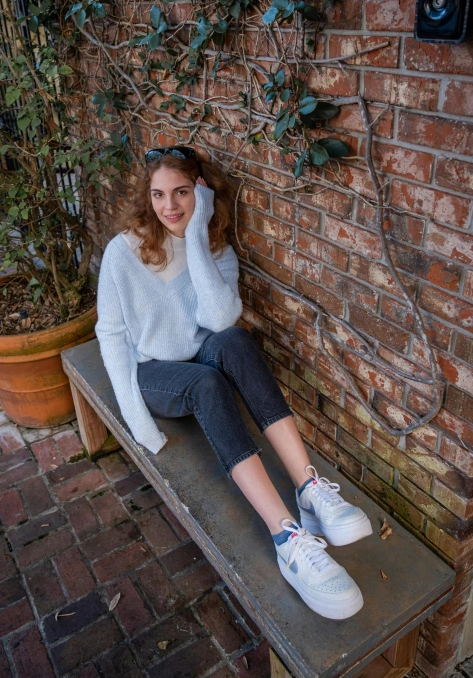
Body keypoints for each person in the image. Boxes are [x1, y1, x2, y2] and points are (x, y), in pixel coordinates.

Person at [95, 145, 372, 620]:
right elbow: (113, 337)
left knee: (237, 342)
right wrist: (138, 423)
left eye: (182, 192)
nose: (170, 206)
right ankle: (286, 537)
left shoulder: (215, 246)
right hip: (156, 374)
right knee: (207, 384)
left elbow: (221, 318)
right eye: (159, 195)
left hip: (203, 353)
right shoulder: (123, 252)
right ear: (148, 198)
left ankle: (308, 489)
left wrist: (197, 239)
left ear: (201, 192)